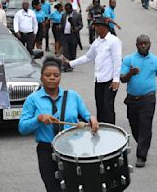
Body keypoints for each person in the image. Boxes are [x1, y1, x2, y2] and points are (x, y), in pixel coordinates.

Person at [18, 56, 99, 192]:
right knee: (53, 188)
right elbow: (22, 128)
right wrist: (38, 119)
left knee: (74, 187)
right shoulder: (32, 100)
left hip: (73, 149)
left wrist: (92, 118)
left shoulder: (73, 96)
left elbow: (86, 115)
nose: (52, 78)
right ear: (41, 77)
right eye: (47, 75)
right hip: (47, 151)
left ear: (60, 77)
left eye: (56, 75)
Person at [120, 35, 157, 168]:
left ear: (150, 45)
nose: (143, 46)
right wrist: (130, 73)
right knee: (134, 125)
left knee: (145, 126)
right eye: (140, 44)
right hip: (132, 99)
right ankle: (142, 143)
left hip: (148, 99)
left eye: (146, 43)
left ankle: (141, 155)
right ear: (136, 45)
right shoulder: (129, 59)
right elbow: (123, 79)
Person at [62, 17, 122, 124]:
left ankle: (112, 132)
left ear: (104, 27)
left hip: (110, 80)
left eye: (97, 26)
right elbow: (88, 57)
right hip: (99, 80)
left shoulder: (114, 41)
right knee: (100, 107)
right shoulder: (97, 42)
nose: (95, 29)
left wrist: (116, 79)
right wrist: (71, 63)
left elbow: (117, 61)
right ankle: (102, 130)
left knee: (107, 107)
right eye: (95, 26)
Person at [61, 3, 83, 71]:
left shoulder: (77, 15)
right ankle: (65, 66)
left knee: (72, 51)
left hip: (73, 36)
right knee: (65, 51)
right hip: (65, 36)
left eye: (68, 9)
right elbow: (62, 24)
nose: (67, 11)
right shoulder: (63, 15)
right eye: (66, 9)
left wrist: (76, 28)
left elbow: (81, 25)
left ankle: (71, 65)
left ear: (71, 9)